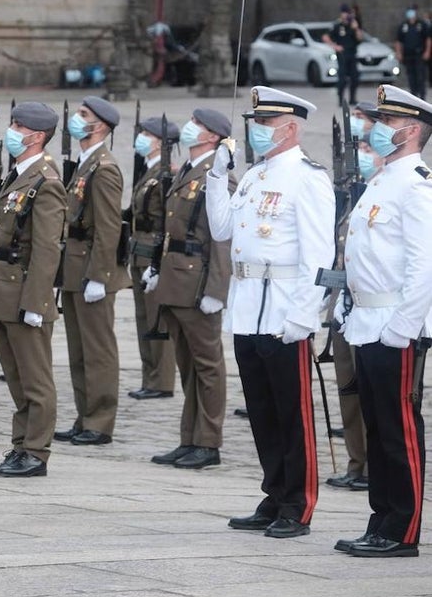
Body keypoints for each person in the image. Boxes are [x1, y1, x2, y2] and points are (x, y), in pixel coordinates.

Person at [206, 86, 334, 539]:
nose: (256, 131)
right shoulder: (256, 177)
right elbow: (221, 228)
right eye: (255, 123)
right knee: (262, 410)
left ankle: (299, 503)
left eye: (264, 124)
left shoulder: (308, 177)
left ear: (291, 128)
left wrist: (304, 314)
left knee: (292, 413)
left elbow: (319, 255)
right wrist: (217, 178)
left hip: (284, 311)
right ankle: (274, 492)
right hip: (247, 309)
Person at [335, 84, 432, 558]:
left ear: (411, 130)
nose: (376, 129)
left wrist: (403, 329)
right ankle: (380, 519)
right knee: (376, 427)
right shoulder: (382, 180)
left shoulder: (416, 185)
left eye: (387, 123)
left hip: (394, 325)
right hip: (366, 320)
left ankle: (403, 529)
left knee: (399, 430)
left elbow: (423, 266)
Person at [0, 102, 66, 477]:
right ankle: (20, 445)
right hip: (3, 291)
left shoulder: (46, 182)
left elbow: (47, 248)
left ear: (37, 136)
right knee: (15, 377)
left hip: (25, 293)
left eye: (19, 126)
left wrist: (36, 301)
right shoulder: (18, 176)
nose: (12, 131)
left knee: (35, 379)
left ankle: (36, 451)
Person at [148, 108, 234, 470]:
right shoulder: (187, 170)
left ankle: (209, 442)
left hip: (198, 284)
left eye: (198, 125)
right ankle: (190, 437)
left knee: (207, 365)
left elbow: (221, 239)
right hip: (177, 280)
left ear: (213, 137)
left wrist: (217, 288)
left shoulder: (218, 178)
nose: (190, 127)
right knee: (187, 364)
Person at [55, 96, 131, 446]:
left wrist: (100, 275)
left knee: (98, 350)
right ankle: (85, 415)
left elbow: (108, 227)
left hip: (92, 270)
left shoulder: (105, 167)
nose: (76, 120)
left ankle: (100, 421)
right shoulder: (86, 163)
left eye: (83, 116)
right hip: (75, 268)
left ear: (99, 125)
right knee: (79, 349)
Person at [324, 104, 376, 492]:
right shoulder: (351, 191)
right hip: (343, 304)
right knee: (348, 387)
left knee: (374, 393)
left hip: (373, 307)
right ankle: (357, 462)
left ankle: (375, 466)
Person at [127, 116, 178, 400]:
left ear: (161, 142)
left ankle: (162, 380)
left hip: (153, 251)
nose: (142, 138)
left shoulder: (166, 173)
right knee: (143, 317)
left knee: (157, 319)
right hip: (139, 251)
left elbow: (167, 220)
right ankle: (150, 376)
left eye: (147, 134)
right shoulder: (148, 170)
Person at [323, 4, 364, 105]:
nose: (346, 15)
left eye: (347, 12)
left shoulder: (353, 25)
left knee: (355, 77)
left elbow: (360, 38)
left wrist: (356, 28)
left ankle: (352, 99)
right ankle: (340, 100)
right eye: (344, 12)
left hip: (352, 54)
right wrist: (335, 46)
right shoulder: (337, 25)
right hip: (342, 55)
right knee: (342, 79)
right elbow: (325, 37)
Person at [393, 7, 430, 100]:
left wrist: (427, 51)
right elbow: (398, 40)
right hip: (408, 55)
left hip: (419, 54)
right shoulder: (403, 25)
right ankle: (413, 96)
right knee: (411, 76)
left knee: (420, 76)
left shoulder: (422, 24)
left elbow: (428, 39)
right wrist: (399, 53)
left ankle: (422, 96)